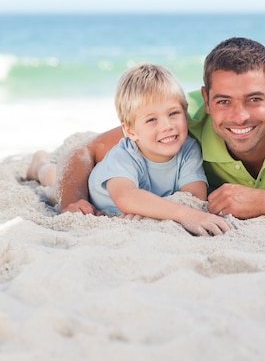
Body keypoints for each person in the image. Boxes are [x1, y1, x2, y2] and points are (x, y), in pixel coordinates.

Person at [29, 37, 265, 227]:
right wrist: (70, 202)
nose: (239, 116)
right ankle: (39, 165)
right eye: (224, 101)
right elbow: (86, 150)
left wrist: (262, 202)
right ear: (204, 98)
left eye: (254, 99)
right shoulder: (183, 118)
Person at [28, 63, 231, 237]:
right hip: (96, 190)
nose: (167, 126)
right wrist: (182, 215)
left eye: (174, 113)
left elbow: (193, 196)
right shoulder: (124, 154)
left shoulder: (188, 149)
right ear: (130, 131)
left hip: (145, 199)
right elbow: (126, 197)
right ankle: (39, 165)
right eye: (152, 119)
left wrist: (149, 210)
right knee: (53, 181)